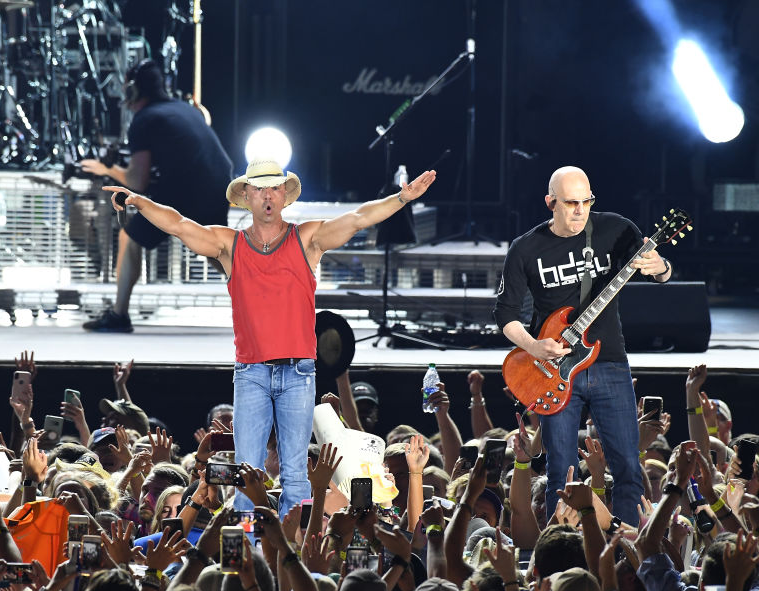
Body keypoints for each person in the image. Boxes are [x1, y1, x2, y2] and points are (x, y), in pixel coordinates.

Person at [99, 159, 436, 515]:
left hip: (298, 373)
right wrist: (140, 201)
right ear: (246, 195)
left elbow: (357, 219)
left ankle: (290, 549)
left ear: (284, 195)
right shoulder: (229, 245)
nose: (268, 195)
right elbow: (180, 225)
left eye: (274, 187)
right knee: (248, 471)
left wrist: (401, 198)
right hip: (251, 373)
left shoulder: (307, 239)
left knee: (295, 472)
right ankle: (247, 551)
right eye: (259, 188)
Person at [492, 165, 672, 524]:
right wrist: (533, 346)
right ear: (550, 202)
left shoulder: (617, 229)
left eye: (586, 202)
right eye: (570, 202)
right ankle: (564, 551)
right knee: (561, 471)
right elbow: (505, 315)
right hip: (553, 368)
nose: (579, 210)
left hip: (609, 362)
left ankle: (626, 552)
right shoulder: (526, 248)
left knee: (627, 466)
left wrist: (661, 265)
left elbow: (660, 274)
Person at [79, 59, 234, 333]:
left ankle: (119, 315)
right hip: (219, 181)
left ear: (133, 91)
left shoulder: (145, 120)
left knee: (130, 236)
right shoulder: (184, 109)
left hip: (187, 187)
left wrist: (106, 169)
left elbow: (137, 180)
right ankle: (268, 297)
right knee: (214, 247)